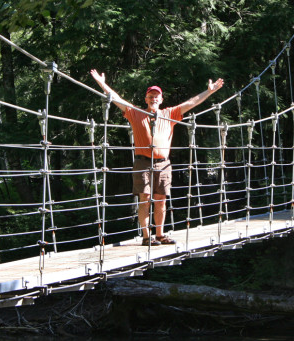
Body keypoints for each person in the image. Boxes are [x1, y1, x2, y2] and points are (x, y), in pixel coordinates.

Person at [90, 69, 224, 246]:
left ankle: (160, 234)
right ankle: (147, 237)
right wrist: (101, 83)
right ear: (146, 99)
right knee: (144, 199)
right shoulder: (135, 112)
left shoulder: (170, 114)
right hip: (143, 162)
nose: (154, 98)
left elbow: (191, 103)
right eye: (151, 96)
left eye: (157, 96)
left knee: (161, 200)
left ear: (161, 100)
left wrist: (210, 91)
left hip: (163, 164)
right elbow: (115, 99)